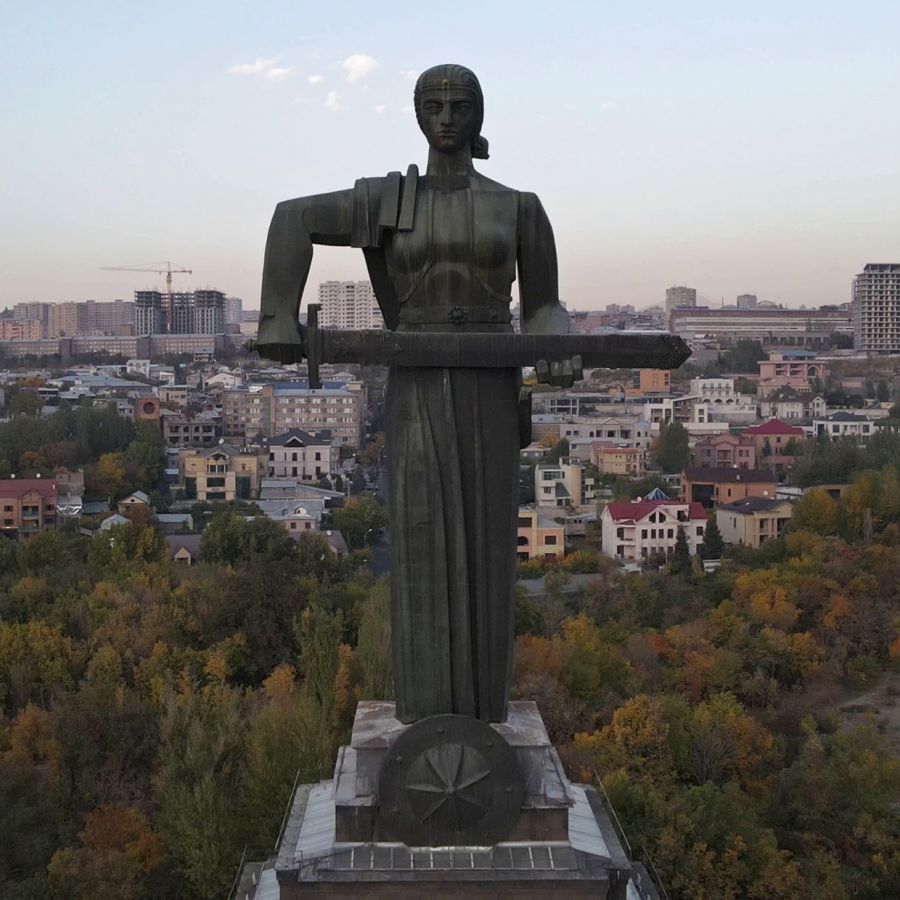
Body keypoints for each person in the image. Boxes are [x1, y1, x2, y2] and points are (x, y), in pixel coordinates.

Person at [257, 64, 570, 723]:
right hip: (416, 381)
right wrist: (277, 319)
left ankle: (481, 717)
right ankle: (424, 717)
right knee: (422, 534)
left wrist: (556, 342)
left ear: (480, 114)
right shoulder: (390, 200)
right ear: (419, 114)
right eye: (434, 104)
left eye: (460, 104)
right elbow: (292, 219)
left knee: (488, 547)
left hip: (489, 383)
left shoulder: (517, 208)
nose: (448, 115)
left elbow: (544, 307)